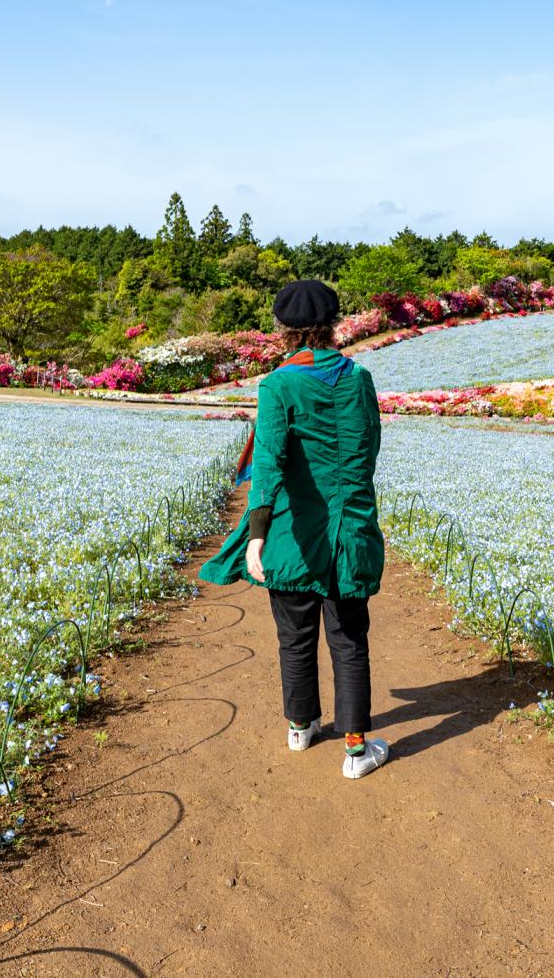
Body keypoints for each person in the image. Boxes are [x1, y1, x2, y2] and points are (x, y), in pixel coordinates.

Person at [201, 279, 389, 779]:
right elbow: (368, 451)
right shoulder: (358, 379)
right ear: (332, 326)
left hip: (290, 536)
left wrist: (257, 532)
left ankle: (301, 728)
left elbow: (268, 463)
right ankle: (355, 750)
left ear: (283, 331)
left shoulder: (278, 385)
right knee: (349, 639)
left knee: (295, 636)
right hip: (349, 531)